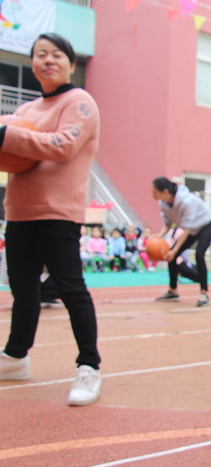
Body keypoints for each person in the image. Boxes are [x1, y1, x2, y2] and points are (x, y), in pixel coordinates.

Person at [0, 33, 102, 406]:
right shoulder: (24, 112)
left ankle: (89, 366)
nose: (48, 60)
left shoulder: (80, 102)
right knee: (23, 292)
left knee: (71, 289)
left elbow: (63, 146)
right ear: (32, 64)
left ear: (71, 64)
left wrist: (6, 137)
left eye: (57, 54)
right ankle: (15, 357)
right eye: (40, 54)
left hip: (58, 212)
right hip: (19, 212)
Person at [152, 177, 211, 307]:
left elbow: (186, 229)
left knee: (199, 254)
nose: (152, 195)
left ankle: (204, 292)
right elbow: (168, 224)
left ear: (165, 191)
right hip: (191, 229)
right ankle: (173, 290)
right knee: (171, 255)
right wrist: (158, 237)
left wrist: (175, 250)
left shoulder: (187, 201)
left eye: (155, 192)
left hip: (206, 225)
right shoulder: (163, 204)